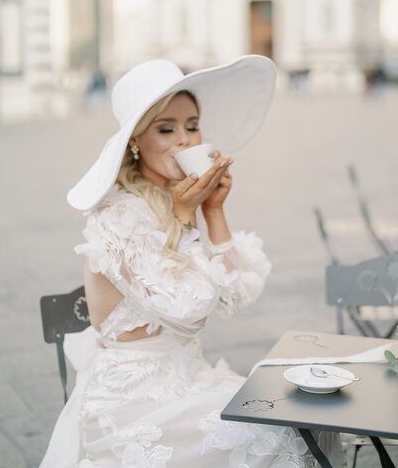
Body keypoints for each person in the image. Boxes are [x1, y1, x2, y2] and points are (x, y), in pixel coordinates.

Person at [41, 56, 344, 468]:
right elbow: (188, 311)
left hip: (188, 377)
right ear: (135, 140)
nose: (185, 140)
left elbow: (234, 297)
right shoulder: (117, 216)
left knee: (311, 417)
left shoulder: (174, 199)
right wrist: (185, 219)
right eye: (166, 129)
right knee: (287, 433)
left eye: (192, 125)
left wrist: (213, 210)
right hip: (134, 400)